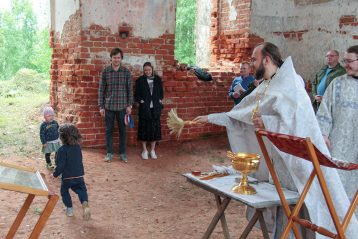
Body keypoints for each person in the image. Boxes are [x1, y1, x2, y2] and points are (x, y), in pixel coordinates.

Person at [193, 42, 357, 238]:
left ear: (267, 59)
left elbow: (298, 121)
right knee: (284, 208)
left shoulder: (290, 82)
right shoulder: (268, 84)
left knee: (307, 208)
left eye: (254, 59)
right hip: (279, 161)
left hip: (300, 162)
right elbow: (242, 114)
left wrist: (268, 122)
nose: (252, 64)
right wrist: (211, 118)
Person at [316, 45, 358, 200]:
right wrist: (323, 134)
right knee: (336, 190)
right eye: (345, 61)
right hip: (338, 147)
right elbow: (325, 111)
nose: (345, 64)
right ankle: (338, 223)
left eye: (349, 61)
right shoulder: (337, 83)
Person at [98, 48, 133, 163]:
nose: (116, 59)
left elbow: (130, 90)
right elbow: (101, 90)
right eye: (114, 57)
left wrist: (129, 105)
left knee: (123, 130)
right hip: (109, 107)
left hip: (123, 107)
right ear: (111, 58)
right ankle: (109, 153)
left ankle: (122, 153)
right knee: (109, 130)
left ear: (121, 58)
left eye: (118, 57)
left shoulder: (126, 72)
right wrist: (101, 106)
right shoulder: (106, 72)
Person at [52, 123, 91, 220]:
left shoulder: (61, 150)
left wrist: (55, 174)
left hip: (67, 177)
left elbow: (60, 166)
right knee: (82, 190)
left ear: (62, 137)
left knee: (64, 192)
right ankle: (84, 203)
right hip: (79, 175)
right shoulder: (78, 147)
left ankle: (69, 210)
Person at [135, 62, 164, 160]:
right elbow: (136, 94)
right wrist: (141, 101)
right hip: (144, 108)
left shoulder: (158, 80)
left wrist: (160, 99)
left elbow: (161, 92)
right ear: (143, 70)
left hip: (155, 108)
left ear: (152, 70)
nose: (147, 72)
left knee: (155, 129)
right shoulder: (140, 80)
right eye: (146, 70)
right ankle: (144, 150)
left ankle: (152, 150)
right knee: (143, 129)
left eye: (149, 70)